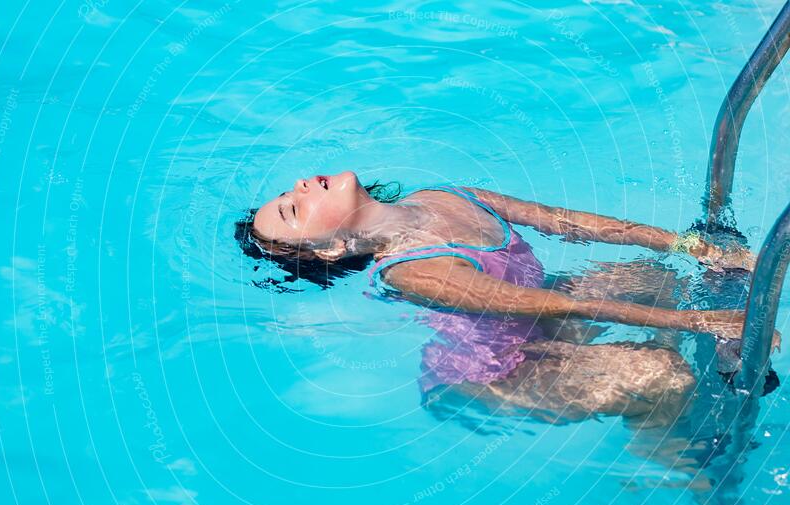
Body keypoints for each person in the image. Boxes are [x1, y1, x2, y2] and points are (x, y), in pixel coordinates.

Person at [236, 170, 767, 423]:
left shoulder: (443, 196)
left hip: (536, 314)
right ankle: (676, 462)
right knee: (662, 374)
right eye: (291, 210)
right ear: (335, 251)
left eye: (287, 192)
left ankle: (711, 359)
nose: (299, 188)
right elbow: (565, 305)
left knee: (652, 273)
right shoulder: (413, 274)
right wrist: (703, 322)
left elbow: (566, 222)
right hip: (497, 365)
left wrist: (688, 244)